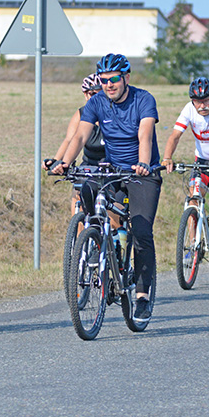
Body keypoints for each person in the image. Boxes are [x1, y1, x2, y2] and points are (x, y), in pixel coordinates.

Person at [52, 53, 161, 324]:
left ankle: (142, 295)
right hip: (111, 170)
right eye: (103, 80)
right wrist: (64, 163)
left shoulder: (143, 99)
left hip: (141, 173)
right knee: (86, 189)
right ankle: (100, 237)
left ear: (126, 78)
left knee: (141, 230)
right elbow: (80, 135)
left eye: (113, 79)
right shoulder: (98, 102)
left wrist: (144, 163)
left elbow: (144, 135)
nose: (108, 85)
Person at [162, 76, 209, 235]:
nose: (202, 105)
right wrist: (167, 157)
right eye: (198, 101)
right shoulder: (188, 109)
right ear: (192, 101)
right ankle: (192, 248)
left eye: (206, 100)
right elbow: (175, 136)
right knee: (193, 199)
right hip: (202, 160)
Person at [44, 73, 105, 217]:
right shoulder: (82, 113)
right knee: (78, 198)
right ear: (85, 94)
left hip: (111, 165)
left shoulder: (113, 112)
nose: (96, 97)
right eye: (92, 93)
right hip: (90, 164)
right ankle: (78, 237)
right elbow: (70, 140)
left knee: (112, 218)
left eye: (100, 93)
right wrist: (57, 161)